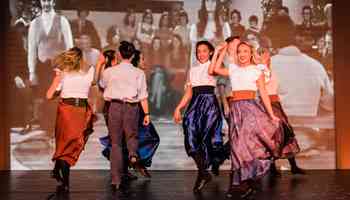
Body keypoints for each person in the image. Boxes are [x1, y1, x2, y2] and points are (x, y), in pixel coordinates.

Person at [209, 41, 279, 198]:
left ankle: (242, 184)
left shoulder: (256, 70)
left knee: (243, 146)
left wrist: (272, 114)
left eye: (245, 51)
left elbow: (264, 94)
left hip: (251, 110)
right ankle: (244, 183)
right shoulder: (233, 69)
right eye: (239, 51)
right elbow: (214, 69)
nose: (242, 54)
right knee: (237, 147)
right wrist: (221, 51)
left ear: (251, 53)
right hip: (236, 110)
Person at [99, 50, 160, 179]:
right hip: (126, 108)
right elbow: (103, 86)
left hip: (130, 108)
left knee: (127, 139)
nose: (145, 62)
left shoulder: (136, 74)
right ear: (135, 60)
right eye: (142, 59)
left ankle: (131, 165)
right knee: (126, 139)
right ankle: (132, 163)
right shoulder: (133, 73)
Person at [173, 40, 224, 193]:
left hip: (209, 104)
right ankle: (203, 172)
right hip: (195, 104)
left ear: (210, 52)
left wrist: (219, 52)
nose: (200, 53)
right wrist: (178, 108)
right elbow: (189, 92)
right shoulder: (193, 70)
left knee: (205, 140)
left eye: (204, 50)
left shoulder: (213, 66)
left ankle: (202, 173)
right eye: (198, 51)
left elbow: (212, 71)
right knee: (189, 134)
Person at [46, 47, 95, 192]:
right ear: (81, 59)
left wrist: (58, 83)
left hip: (76, 111)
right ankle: (65, 182)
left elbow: (50, 95)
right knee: (68, 145)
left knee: (68, 144)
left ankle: (58, 171)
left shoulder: (76, 74)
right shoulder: (74, 74)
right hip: (72, 111)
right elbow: (49, 95)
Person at [256, 47, 305, 175]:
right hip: (267, 104)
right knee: (274, 135)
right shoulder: (260, 70)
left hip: (276, 103)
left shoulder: (270, 70)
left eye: (267, 53)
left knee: (285, 133)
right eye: (263, 54)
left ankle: (293, 166)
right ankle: (272, 167)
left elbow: (276, 87)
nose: (267, 56)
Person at [27, 0, 73, 136]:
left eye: (48, 0)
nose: (46, 3)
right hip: (42, 67)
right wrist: (32, 72)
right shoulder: (35, 23)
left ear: (53, 2)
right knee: (45, 99)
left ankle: (58, 130)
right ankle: (48, 130)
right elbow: (32, 49)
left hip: (58, 67)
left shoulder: (62, 20)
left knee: (57, 98)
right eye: (43, 0)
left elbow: (69, 46)